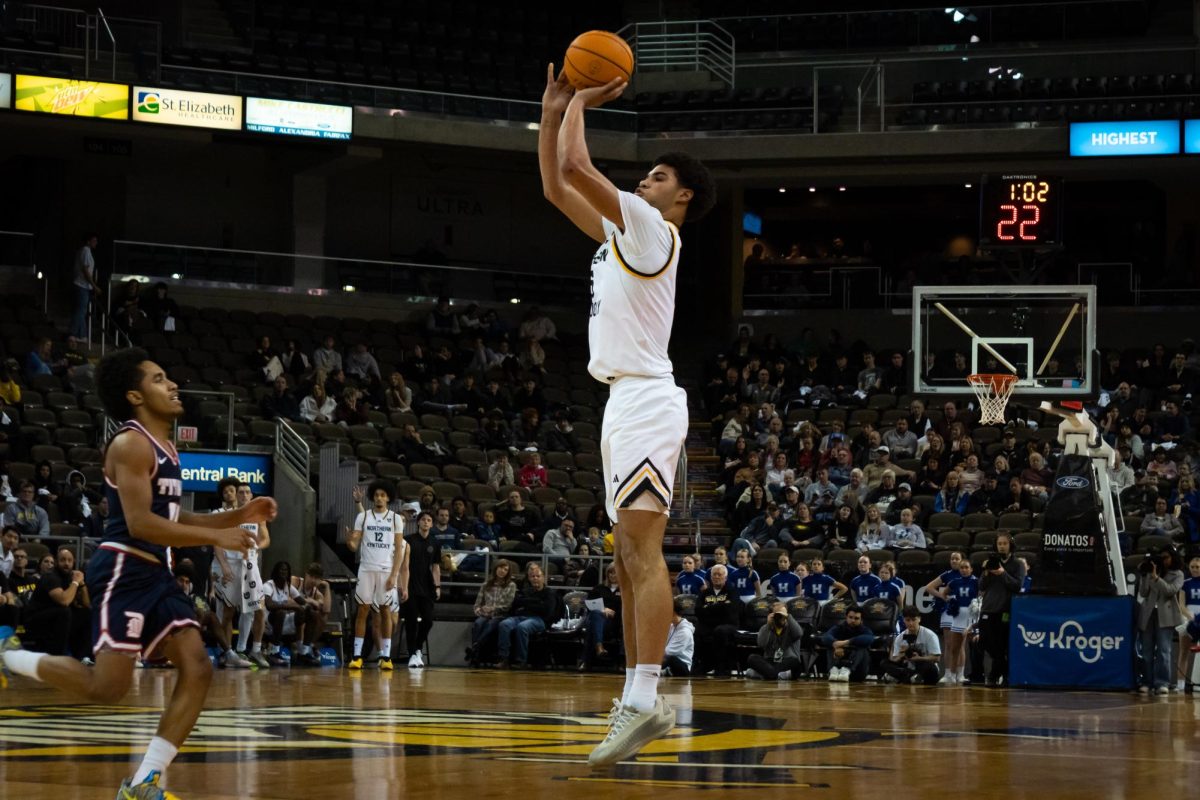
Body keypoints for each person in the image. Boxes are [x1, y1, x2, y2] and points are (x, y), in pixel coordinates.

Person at [541, 62, 715, 767]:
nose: (646, 180)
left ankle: (643, 700)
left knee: (641, 554)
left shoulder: (651, 230)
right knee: (624, 561)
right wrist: (553, 111)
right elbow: (556, 184)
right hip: (622, 399)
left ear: (682, 197)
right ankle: (641, 681)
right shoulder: (626, 236)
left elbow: (579, 165)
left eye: (659, 175)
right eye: (645, 175)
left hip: (645, 397)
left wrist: (581, 98)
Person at [0, 347, 269, 799]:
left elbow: (173, 516)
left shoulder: (167, 447)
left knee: (198, 667)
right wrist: (215, 538)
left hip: (156, 573)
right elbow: (141, 523)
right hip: (124, 568)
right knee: (107, 688)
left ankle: (144, 783)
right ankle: (10, 656)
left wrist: (236, 515)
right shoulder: (130, 443)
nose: (172, 384)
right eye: (159, 379)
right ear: (135, 395)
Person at [347, 480, 409, 671]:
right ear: (372, 497)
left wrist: (394, 575)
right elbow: (353, 546)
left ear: (389, 497)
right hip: (366, 569)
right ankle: (357, 656)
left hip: (385, 570)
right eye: (376, 495)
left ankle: (386, 656)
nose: (379, 498)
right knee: (363, 611)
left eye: (383, 495)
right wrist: (349, 540)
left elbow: (398, 550)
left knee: (385, 612)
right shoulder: (363, 517)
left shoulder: (395, 519)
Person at [23, 546, 91, 658]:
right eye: (63, 560)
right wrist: (75, 583)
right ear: (56, 562)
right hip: (35, 619)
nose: (66, 563)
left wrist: (82, 583)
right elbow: (64, 601)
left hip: (56, 619)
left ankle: (80, 657)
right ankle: (58, 657)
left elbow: (87, 604)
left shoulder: (71, 577)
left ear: (73, 562)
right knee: (65, 611)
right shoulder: (50, 576)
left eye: (70, 560)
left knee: (86, 613)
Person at [977, 532, 1026, 687]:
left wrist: (1002, 573)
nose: (1002, 546)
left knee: (1002, 643)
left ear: (1010, 545)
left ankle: (995, 675)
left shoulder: (1017, 564)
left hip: (1005, 609)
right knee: (984, 641)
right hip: (987, 608)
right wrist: (986, 572)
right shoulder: (991, 562)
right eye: (999, 543)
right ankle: (1002, 671)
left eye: (1005, 543)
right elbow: (981, 586)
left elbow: (1017, 585)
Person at [1136, 547, 1184, 695]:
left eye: (1166, 557)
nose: (1164, 560)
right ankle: (1146, 682)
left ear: (1173, 558)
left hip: (1166, 615)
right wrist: (1145, 575)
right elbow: (1143, 593)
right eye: (1162, 557)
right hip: (1148, 613)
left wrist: (1156, 578)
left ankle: (1162, 682)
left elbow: (1170, 590)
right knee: (1146, 651)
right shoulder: (1151, 571)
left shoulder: (1178, 574)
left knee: (1164, 650)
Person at [496, 562, 560, 669]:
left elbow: (546, 610)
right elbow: (516, 603)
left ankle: (521, 661)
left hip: (539, 619)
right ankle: (504, 658)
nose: (535, 578)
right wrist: (536, 602)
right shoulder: (525, 591)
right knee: (504, 624)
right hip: (521, 617)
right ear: (529, 578)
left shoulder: (549, 593)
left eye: (538, 576)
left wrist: (527, 603)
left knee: (522, 627)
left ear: (543, 577)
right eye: (532, 576)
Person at [403, 510, 442, 668]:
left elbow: (436, 567)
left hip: (427, 587)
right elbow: (402, 566)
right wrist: (402, 586)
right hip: (410, 585)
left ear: (432, 524)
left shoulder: (434, 543)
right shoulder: (408, 540)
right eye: (423, 519)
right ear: (418, 522)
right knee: (411, 621)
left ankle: (418, 648)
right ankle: (412, 654)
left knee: (428, 620)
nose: (426, 522)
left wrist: (437, 586)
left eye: (429, 520)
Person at [468, 559, 516, 667]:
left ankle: (474, 651)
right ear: (495, 568)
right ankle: (476, 656)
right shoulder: (486, 585)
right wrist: (481, 611)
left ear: (508, 572)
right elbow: (477, 605)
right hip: (485, 615)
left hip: (501, 615)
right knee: (478, 624)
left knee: (491, 624)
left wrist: (493, 608)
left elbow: (508, 606)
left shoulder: (511, 585)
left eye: (505, 569)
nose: (502, 571)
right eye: (500, 568)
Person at [695, 564, 740, 677]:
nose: (716, 577)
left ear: (725, 577)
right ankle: (702, 664)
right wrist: (720, 606)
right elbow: (698, 610)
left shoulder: (732, 591)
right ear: (710, 577)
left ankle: (722, 668)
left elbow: (730, 611)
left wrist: (709, 608)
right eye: (714, 574)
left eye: (719, 574)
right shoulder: (704, 593)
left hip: (729, 625)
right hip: (709, 624)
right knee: (698, 631)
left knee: (720, 631)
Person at [938, 558, 978, 685]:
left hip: (971, 615)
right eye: (962, 568)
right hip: (958, 615)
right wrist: (950, 602)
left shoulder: (976, 582)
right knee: (955, 647)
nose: (964, 570)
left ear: (971, 569)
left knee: (970, 646)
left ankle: (961, 675)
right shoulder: (954, 582)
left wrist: (978, 605)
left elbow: (983, 594)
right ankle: (950, 674)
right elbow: (944, 593)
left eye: (967, 567)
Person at [882, 606, 942, 685]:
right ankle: (912, 678)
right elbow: (894, 659)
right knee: (884, 663)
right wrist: (900, 656)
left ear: (919, 619)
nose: (911, 623)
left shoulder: (930, 635)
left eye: (914, 620)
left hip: (924, 666)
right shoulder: (900, 637)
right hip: (908, 667)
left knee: (931, 668)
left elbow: (937, 658)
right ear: (904, 620)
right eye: (908, 620)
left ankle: (901, 678)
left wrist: (919, 658)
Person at [581, 563, 623, 670]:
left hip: (614, 622)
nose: (613, 575)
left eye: (615, 573)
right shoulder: (599, 588)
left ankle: (586, 661)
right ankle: (599, 648)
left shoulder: (624, 590)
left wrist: (613, 612)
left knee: (592, 626)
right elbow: (588, 603)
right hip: (598, 620)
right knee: (595, 615)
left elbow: (626, 609)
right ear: (607, 574)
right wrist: (603, 609)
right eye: (610, 573)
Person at [821, 605, 875, 682]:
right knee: (831, 644)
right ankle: (833, 669)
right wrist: (835, 644)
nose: (853, 620)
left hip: (857, 672)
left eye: (856, 618)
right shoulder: (839, 628)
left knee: (862, 647)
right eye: (850, 617)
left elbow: (869, 639)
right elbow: (825, 637)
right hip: (837, 672)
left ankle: (847, 669)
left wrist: (847, 642)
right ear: (846, 617)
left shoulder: (865, 630)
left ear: (861, 620)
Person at [71, 233, 100, 338]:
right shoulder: (85, 251)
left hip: (82, 285)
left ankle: (82, 334)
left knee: (82, 311)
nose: (96, 243)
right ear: (88, 241)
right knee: (80, 311)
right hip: (82, 285)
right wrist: (94, 285)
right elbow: (85, 270)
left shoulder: (83, 251)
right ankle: (73, 333)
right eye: (94, 240)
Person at [662, 597, 695, 677]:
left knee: (670, 658)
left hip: (682, 667)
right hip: (669, 663)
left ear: (673, 612)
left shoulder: (685, 632)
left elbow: (668, 652)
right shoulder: (671, 626)